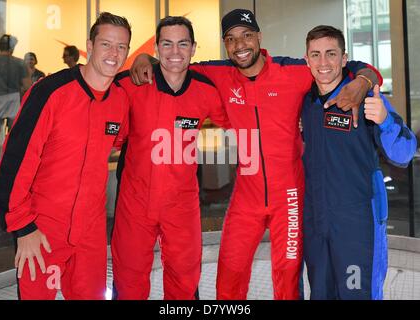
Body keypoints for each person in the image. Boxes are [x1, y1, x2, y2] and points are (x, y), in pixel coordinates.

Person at [130, 9, 382, 300]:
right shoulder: (218, 73)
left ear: (259, 37)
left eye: (247, 35)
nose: (240, 45)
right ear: (225, 44)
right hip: (245, 196)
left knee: (287, 278)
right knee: (229, 273)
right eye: (231, 38)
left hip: (288, 195)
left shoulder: (294, 72)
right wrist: (144, 58)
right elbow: (176, 64)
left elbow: (356, 67)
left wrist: (362, 82)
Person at [0, 12, 131, 300]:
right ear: (90, 46)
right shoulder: (51, 92)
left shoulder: (119, 101)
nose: (114, 53)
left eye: (121, 47)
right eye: (106, 44)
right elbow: (13, 163)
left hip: (90, 234)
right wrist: (23, 227)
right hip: (42, 230)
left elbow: (121, 140)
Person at [111, 16, 230, 300]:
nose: (175, 52)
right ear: (156, 48)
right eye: (167, 44)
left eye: (182, 44)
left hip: (182, 202)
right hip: (135, 201)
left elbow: (239, 119)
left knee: (184, 279)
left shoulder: (206, 89)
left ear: (193, 48)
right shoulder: (130, 84)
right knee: (129, 280)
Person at [301, 25, 417, 300]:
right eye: (315, 55)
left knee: (359, 294)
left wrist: (385, 121)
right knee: (321, 292)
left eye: (331, 54)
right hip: (316, 222)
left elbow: (404, 153)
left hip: (358, 221)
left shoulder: (366, 98)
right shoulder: (303, 101)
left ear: (344, 59)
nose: (323, 63)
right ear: (306, 60)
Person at [0, 34, 32, 160]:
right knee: (14, 136)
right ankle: (10, 162)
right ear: (12, 47)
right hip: (14, 102)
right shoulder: (19, 63)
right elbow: (27, 86)